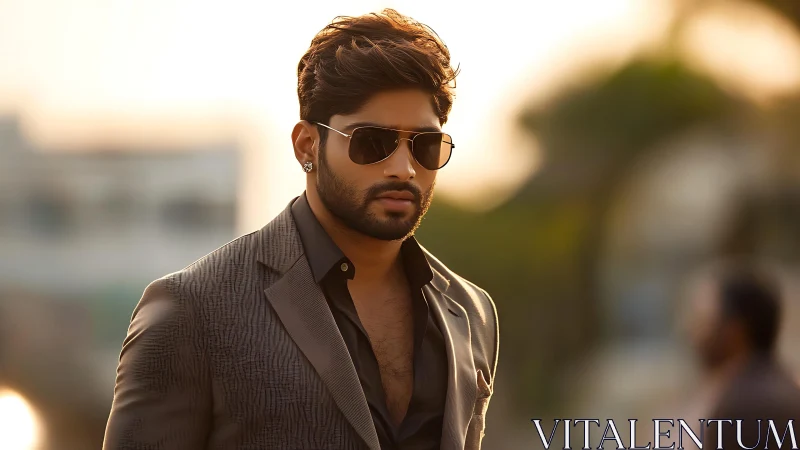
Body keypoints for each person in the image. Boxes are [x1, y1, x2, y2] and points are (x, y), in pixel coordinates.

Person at [103, 9, 499, 450]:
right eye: (373, 142)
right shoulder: (192, 309)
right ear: (308, 145)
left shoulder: (470, 312)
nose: (404, 168)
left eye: (425, 145)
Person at [684, 262, 800, 450]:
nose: (690, 330)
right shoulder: (773, 387)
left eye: (703, 319)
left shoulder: (750, 405)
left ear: (734, 329)